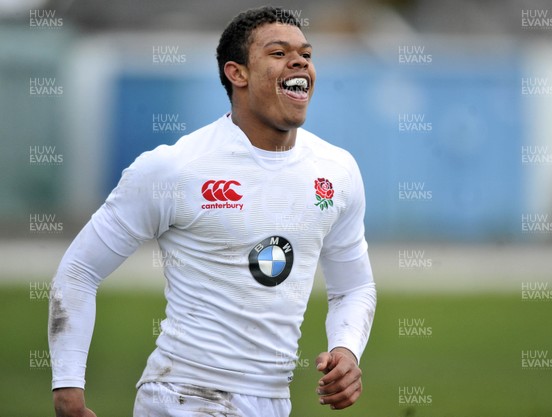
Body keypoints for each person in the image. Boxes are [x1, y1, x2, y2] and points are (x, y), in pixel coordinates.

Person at [49, 6, 376, 417]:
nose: (299, 62)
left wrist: (346, 350)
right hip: (183, 395)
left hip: (273, 401)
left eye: (306, 55)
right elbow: (79, 270)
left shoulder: (337, 170)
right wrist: (67, 387)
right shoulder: (175, 168)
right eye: (278, 53)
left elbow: (353, 288)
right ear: (236, 73)